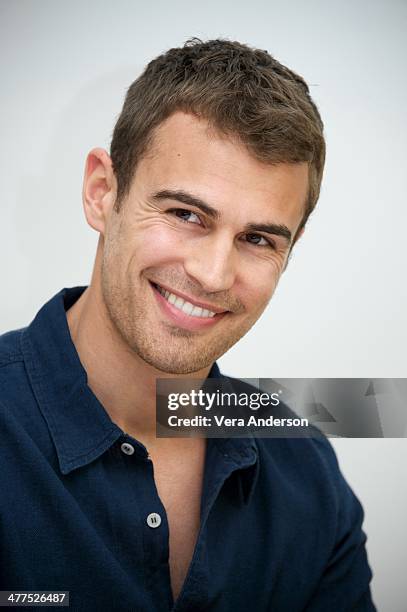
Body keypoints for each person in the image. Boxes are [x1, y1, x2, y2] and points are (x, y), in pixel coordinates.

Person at [0, 38, 376, 611]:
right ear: (103, 192)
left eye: (257, 239)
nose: (213, 273)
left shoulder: (308, 471)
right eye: (185, 214)